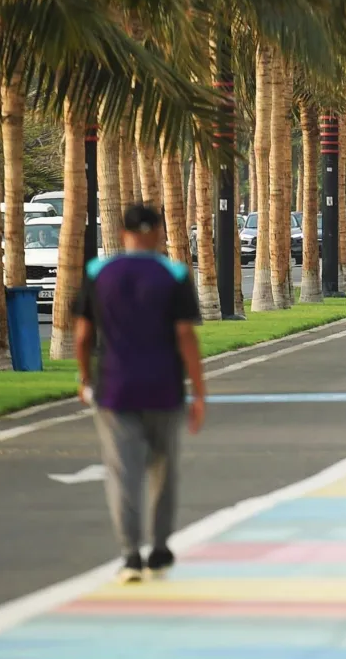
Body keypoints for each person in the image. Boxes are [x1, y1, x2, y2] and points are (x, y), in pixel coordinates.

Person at [74, 205, 207, 584]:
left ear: (123, 231)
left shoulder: (98, 273)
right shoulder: (175, 273)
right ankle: (160, 549)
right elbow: (185, 336)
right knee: (163, 471)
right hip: (164, 387)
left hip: (114, 388)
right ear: (159, 232)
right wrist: (199, 392)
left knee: (123, 473)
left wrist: (85, 379)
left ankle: (131, 555)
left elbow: (83, 336)